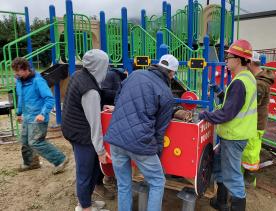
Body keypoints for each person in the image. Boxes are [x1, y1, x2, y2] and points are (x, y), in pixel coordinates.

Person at [104, 54, 180, 211]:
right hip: (140, 143)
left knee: (124, 184)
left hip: (116, 139)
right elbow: (160, 130)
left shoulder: (135, 74)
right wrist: (157, 154)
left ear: (157, 66)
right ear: (171, 73)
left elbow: (119, 98)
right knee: (158, 181)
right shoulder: (166, 93)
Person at [199, 40, 257, 211]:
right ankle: (221, 201)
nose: (226, 60)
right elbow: (234, 104)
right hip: (235, 134)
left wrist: (205, 115)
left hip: (234, 136)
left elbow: (227, 113)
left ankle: (234, 206)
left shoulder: (240, 82)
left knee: (233, 176)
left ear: (238, 60)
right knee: (218, 166)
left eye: (228, 56)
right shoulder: (246, 79)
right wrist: (220, 92)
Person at [62, 49, 113, 211]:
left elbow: (79, 105)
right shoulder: (90, 90)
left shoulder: (79, 75)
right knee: (86, 173)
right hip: (82, 135)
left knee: (91, 169)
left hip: (72, 128)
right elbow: (94, 124)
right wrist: (100, 150)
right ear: (98, 67)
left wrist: (98, 106)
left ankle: (86, 202)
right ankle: (84, 207)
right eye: (105, 65)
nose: (107, 69)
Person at [12, 57, 68, 174]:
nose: (16, 74)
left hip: (38, 117)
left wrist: (43, 113)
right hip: (27, 116)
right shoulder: (19, 81)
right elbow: (21, 97)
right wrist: (19, 113)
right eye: (15, 71)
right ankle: (31, 163)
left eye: (18, 71)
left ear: (26, 69)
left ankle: (60, 159)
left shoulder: (38, 81)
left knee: (35, 142)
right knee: (25, 141)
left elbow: (49, 99)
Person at [242, 51, 275, 187]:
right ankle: (246, 179)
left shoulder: (260, 83)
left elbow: (253, 104)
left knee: (251, 154)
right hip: (255, 123)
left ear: (250, 63)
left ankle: (248, 181)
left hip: (255, 125)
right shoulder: (258, 80)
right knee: (250, 152)